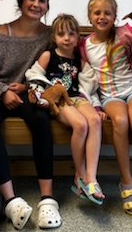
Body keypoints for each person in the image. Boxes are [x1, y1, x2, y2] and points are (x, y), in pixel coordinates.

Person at [0, 0, 61, 230]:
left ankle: (47, 198)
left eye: (42, 0)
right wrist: (3, 91)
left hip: (29, 94)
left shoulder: (51, 37)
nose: (36, 4)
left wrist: (29, 87)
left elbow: (55, 70)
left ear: (47, 5)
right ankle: (10, 200)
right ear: (21, 1)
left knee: (42, 119)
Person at [79, 0, 132, 217]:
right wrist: (93, 105)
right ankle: (127, 182)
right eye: (97, 13)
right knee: (120, 121)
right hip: (109, 96)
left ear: (115, 16)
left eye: (107, 13)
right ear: (90, 17)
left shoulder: (126, 33)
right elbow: (87, 80)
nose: (102, 17)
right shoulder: (85, 45)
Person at [25, 13, 105, 204]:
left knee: (94, 120)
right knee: (81, 125)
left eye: (71, 34)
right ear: (54, 37)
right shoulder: (48, 55)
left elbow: (89, 88)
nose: (67, 38)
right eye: (61, 34)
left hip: (76, 98)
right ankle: (80, 175)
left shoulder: (80, 61)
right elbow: (33, 75)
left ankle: (91, 179)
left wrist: (96, 106)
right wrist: (44, 94)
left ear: (78, 37)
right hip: (59, 101)